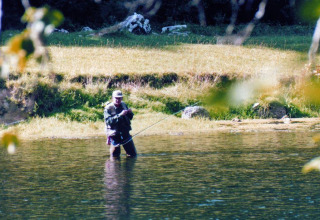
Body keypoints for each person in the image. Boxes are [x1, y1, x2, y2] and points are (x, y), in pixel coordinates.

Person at [104, 90, 137, 158]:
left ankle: (128, 168)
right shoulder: (108, 108)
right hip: (114, 134)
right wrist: (120, 115)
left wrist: (129, 113)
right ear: (113, 98)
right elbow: (109, 121)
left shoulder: (124, 105)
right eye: (116, 98)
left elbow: (130, 117)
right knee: (115, 156)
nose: (118, 100)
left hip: (125, 133)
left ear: (122, 98)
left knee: (132, 154)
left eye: (119, 98)